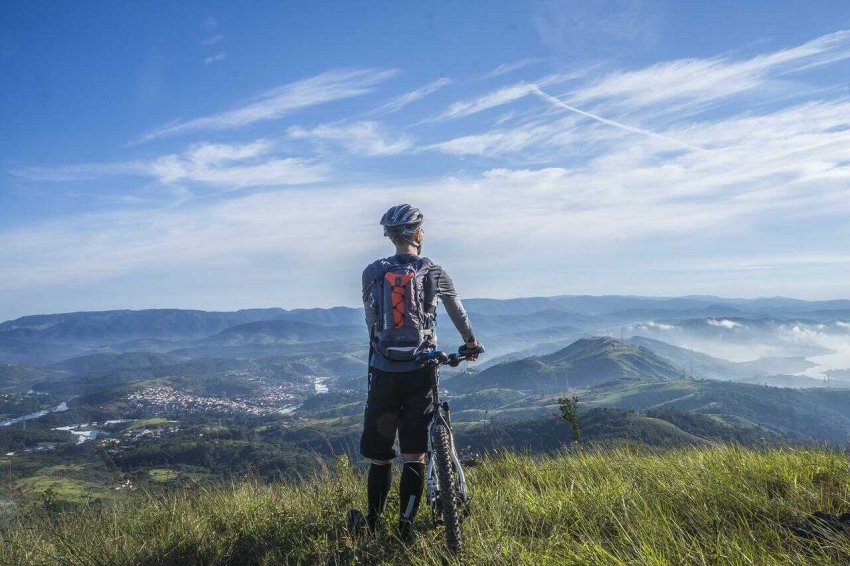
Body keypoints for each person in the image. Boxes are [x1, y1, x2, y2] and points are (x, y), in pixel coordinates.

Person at [349, 204, 482, 540]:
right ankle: (405, 528)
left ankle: (374, 526)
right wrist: (470, 343)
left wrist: (380, 353)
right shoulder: (433, 271)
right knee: (414, 455)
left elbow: (371, 322)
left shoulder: (372, 272)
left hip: (383, 371)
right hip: (421, 370)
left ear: (391, 236)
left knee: (380, 458)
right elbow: (457, 312)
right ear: (417, 233)